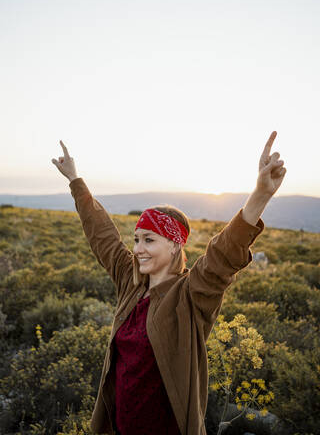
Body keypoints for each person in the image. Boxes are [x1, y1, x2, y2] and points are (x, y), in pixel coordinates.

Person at [51, 132, 286, 435]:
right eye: (136, 240)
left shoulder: (192, 294)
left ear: (175, 246)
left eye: (149, 240)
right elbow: (102, 234)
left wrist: (260, 196)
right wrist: (75, 179)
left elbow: (222, 255)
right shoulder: (130, 281)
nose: (137, 249)